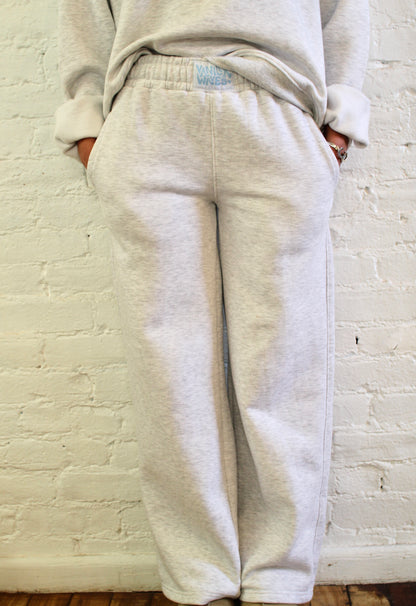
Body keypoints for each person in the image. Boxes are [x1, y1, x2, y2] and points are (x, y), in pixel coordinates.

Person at [54, 2, 370, 605]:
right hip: (150, 111)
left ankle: (279, 578)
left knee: (282, 365)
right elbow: (84, 14)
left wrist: (338, 128)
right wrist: (90, 131)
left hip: (278, 106)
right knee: (169, 373)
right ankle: (199, 579)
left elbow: (346, 11)